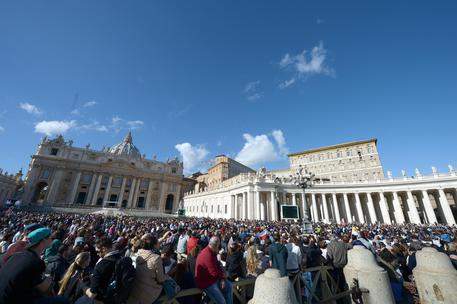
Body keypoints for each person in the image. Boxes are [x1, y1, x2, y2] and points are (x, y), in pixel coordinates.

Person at [0, 227, 70, 304]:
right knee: (63, 301)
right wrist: (49, 279)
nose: (52, 240)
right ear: (43, 240)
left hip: (4, 297)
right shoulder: (36, 262)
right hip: (12, 300)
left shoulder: (17, 254)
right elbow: (43, 289)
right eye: (50, 237)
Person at [128, 235, 165, 304]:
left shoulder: (137, 253)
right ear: (154, 245)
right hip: (148, 294)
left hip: (134, 289)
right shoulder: (156, 258)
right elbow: (161, 279)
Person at [195, 236, 232, 304]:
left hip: (213, 279)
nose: (218, 248)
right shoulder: (207, 254)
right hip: (206, 282)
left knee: (229, 286)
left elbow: (217, 266)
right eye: (218, 246)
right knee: (222, 302)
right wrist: (224, 275)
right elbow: (214, 272)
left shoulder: (212, 251)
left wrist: (222, 279)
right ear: (215, 246)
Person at [83, 236, 120, 303]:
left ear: (103, 248)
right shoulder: (119, 257)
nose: (97, 254)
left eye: (97, 251)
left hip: (100, 300)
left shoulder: (102, 265)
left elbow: (92, 294)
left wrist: (82, 286)